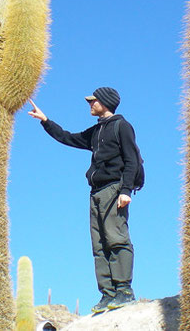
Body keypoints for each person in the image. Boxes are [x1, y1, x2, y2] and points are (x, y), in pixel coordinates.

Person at [28, 87, 139, 313]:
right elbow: (69, 137)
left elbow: (132, 160)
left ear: (106, 102)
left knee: (116, 238)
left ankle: (124, 291)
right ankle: (107, 294)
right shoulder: (96, 131)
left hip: (113, 189)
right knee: (99, 245)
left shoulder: (121, 126)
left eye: (94, 100)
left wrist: (126, 190)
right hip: (96, 192)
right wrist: (46, 121)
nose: (90, 103)